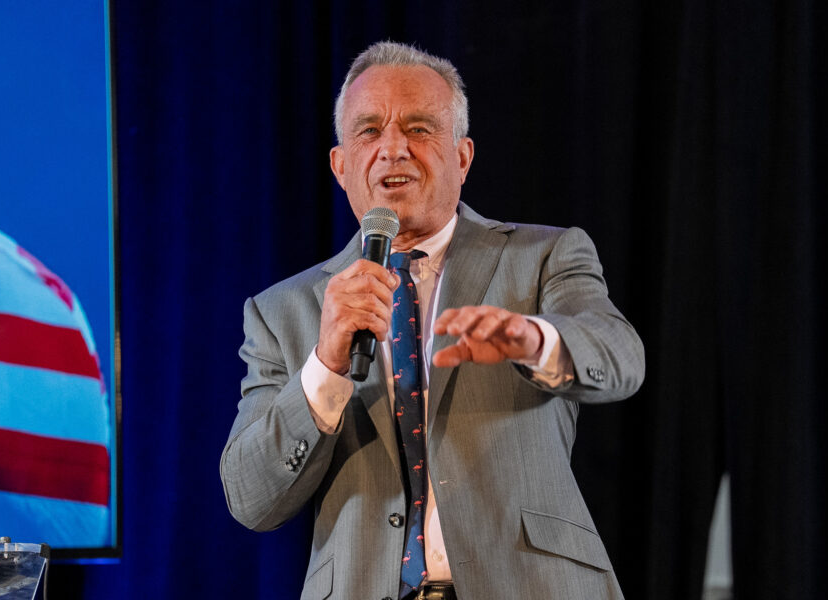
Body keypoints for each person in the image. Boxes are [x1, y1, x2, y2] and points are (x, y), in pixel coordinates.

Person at [221, 41, 644, 600]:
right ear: (341, 164)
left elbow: (619, 355)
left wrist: (536, 338)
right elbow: (252, 498)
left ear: (462, 157)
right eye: (369, 131)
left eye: (419, 128)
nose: (392, 148)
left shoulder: (545, 256)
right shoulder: (282, 312)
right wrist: (324, 367)